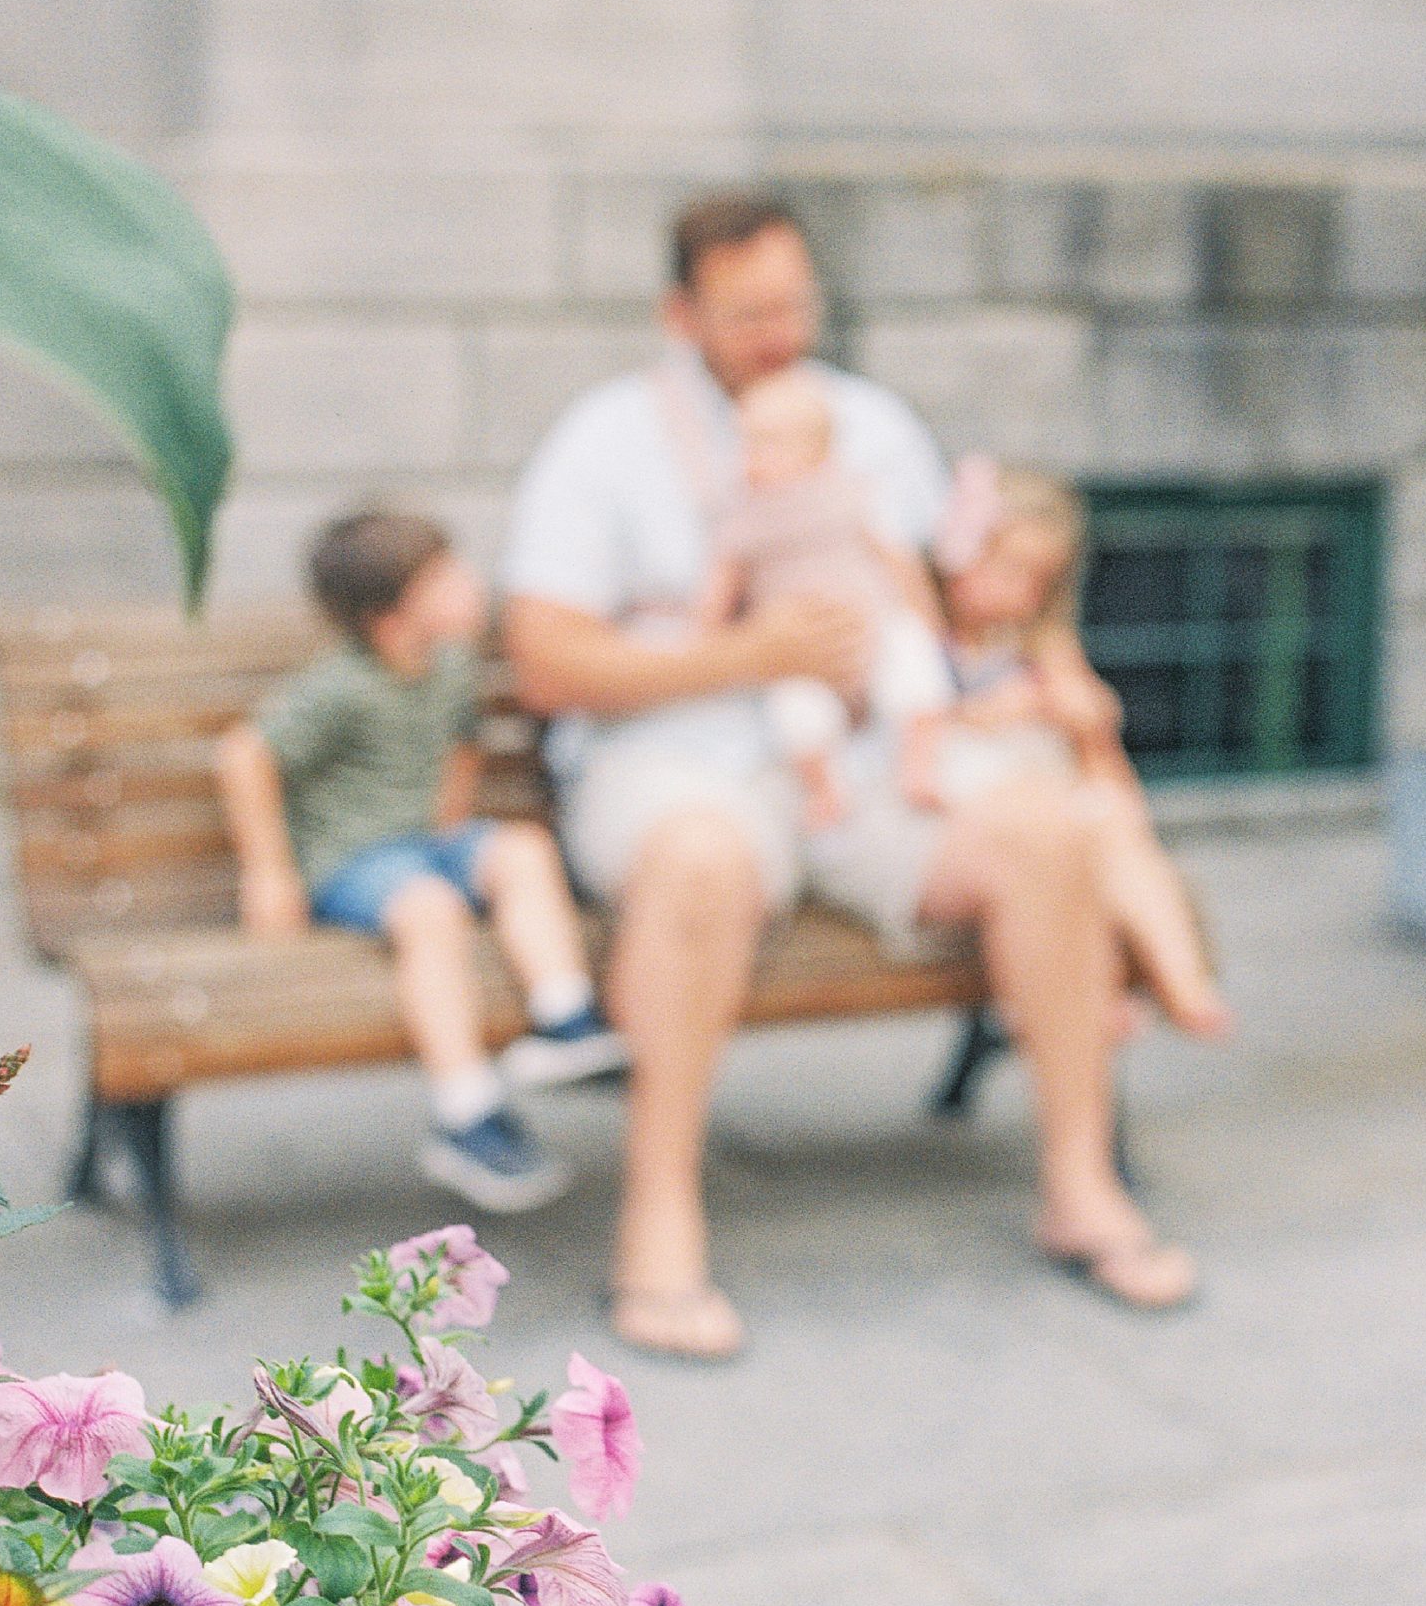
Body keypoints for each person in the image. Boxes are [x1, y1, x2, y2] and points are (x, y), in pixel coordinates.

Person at [503, 191, 1198, 1352]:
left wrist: (990, 687)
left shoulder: (872, 426)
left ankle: (1080, 1189)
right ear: (681, 313)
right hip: (679, 761)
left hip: (870, 760)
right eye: (745, 313)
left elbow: (947, 605)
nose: (778, 332)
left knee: (1048, 833)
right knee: (700, 857)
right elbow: (541, 659)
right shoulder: (604, 440)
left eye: (793, 304)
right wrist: (743, 654)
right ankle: (659, 1223)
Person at [216, 508, 625, 1213]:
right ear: (390, 616)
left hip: (426, 846)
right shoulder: (341, 686)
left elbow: (461, 739)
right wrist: (270, 874)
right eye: (444, 576)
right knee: (431, 912)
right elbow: (244, 755)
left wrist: (452, 825)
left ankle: (565, 1019)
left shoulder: (450, 664)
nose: (471, 584)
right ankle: (465, 1112)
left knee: (522, 848)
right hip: (353, 861)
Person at [916, 456, 1232, 1040]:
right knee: (1070, 849)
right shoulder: (919, 642)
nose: (1024, 594)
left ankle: (1181, 980)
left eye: (1041, 580)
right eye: (1009, 569)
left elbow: (1095, 738)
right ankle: (1089, 990)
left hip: (1061, 802)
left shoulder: (1039, 645)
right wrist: (980, 716)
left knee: (1112, 835)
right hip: (971, 816)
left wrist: (1074, 711)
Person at [695, 363, 955, 828]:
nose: (750, 455)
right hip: (797, 648)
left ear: (817, 448)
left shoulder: (852, 491)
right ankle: (824, 789)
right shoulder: (744, 512)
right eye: (745, 440)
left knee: (914, 671)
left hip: (874, 619)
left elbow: (896, 558)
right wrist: (707, 632)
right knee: (796, 711)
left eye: (767, 442)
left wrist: (926, 619)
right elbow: (725, 577)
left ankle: (919, 763)